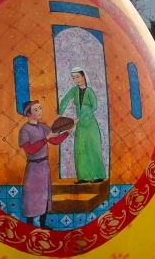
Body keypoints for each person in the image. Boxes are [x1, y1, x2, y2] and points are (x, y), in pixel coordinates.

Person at [18, 100, 69, 228]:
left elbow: (55, 140)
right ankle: (29, 225)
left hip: (44, 167)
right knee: (31, 197)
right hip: (33, 167)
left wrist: (68, 131)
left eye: (40, 108)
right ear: (28, 114)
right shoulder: (24, 130)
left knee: (44, 196)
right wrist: (45, 139)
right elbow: (30, 149)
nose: (40, 111)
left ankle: (42, 224)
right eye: (36, 110)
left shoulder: (44, 127)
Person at [58, 66, 106, 183]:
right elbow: (65, 100)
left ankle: (98, 176)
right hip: (80, 126)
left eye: (78, 77)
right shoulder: (74, 91)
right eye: (74, 78)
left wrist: (79, 118)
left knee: (93, 148)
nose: (76, 80)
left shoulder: (89, 92)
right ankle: (83, 177)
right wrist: (60, 113)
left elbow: (93, 106)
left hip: (90, 124)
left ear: (83, 76)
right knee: (80, 149)